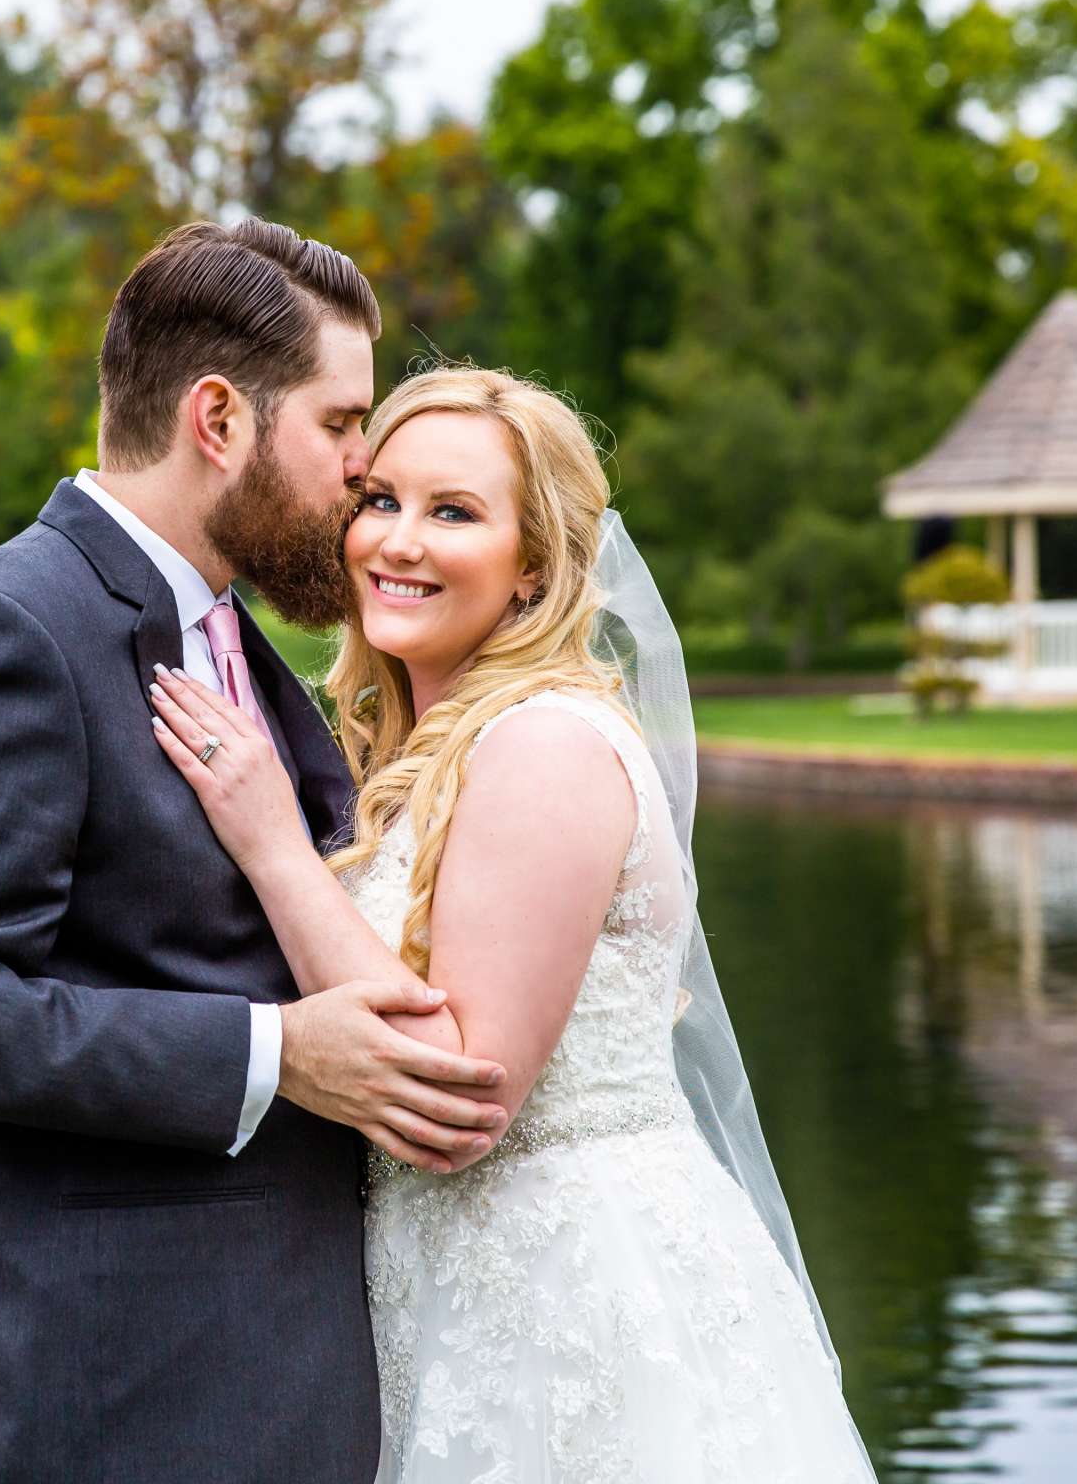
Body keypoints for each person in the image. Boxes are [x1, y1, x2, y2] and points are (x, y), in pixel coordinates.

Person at [0, 221, 510, 1484]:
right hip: (105, 1397)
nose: (365, 470)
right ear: (218, 418)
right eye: (340, 424)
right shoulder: (8, 625)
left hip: (268, 1380)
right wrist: (273, 1054)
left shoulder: (238, 641)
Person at [147, 365, 879, 1481]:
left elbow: (458, 1087)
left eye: (455, 512)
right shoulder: (411, 752)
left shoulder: (546, 747)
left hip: (568, 1305)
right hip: (440, 1297)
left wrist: (271, 847)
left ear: (533, 562)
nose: (398, 540)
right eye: (380, 499)